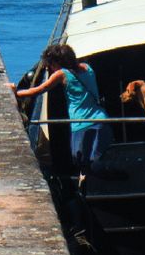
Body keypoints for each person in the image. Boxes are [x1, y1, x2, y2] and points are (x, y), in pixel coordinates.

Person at [15, 43, 110, 177]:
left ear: (57, 62)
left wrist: (15, 92)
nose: (51, 69)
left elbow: (38, 90)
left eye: (51, 65)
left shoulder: (62, 74)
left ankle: (88, 188)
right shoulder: (88, 68)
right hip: (101, 121)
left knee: (79, 159)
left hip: (81, 124)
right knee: (94, 160)